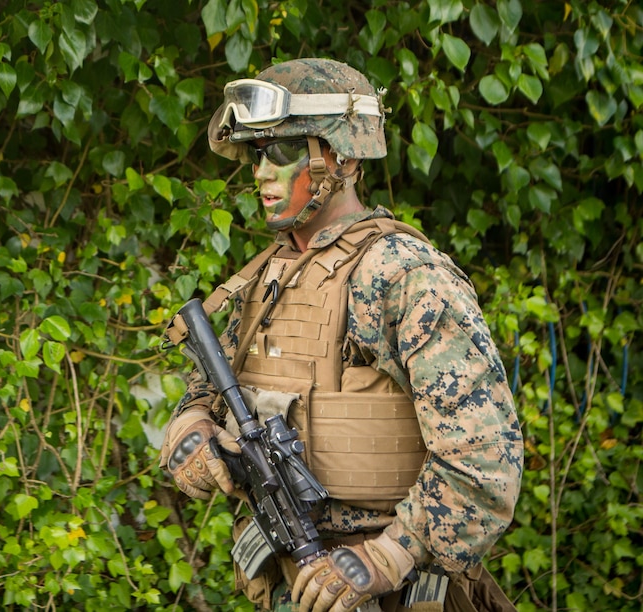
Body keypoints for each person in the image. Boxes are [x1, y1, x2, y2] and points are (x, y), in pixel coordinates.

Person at [158, 58, 524, 612]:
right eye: (258, 154)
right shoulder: (266, 275)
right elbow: (204, 392)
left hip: (393, 592)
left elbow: (485, 464)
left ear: (342, 157)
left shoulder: (402, 275)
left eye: (282, 152)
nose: (261, 173)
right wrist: (191, 435)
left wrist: (383, 559)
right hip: (290, 586)